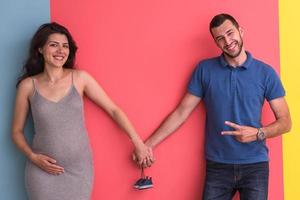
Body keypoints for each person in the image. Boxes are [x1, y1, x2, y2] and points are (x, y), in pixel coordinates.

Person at [135, 13, 291, 199]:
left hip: (255, 166)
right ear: (216, 43)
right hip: (218, 166)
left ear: (240, 31)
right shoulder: (204, 70)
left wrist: (258, 133)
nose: (227, 41)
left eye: (230, 33)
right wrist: (147, 145)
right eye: (220, 38)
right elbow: (181, 112)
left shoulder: (265, 73)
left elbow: (286, 122)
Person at [11, 22, 153, 200]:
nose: (61, 51)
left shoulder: (80, 78)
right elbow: (16, 132)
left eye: (65, 46)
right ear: (40, 49)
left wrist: (138, 143)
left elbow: (113, 109)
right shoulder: (28, 86)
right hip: (42, 172)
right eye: (54, 45)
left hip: (78, 171)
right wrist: (33, 157)